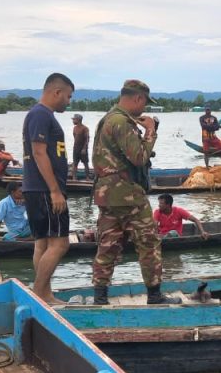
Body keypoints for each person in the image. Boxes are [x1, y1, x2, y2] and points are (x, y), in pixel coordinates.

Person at [91, 79, 181, 305]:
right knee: (149, 243)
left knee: (108, 246)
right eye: (144, 103)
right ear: (138, 98)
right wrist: (150, 131)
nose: (144, 109)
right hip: (128, 195)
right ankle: (154, 295)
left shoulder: (107, 119)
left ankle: (100, 297)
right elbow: (139, 157)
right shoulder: (122, 122)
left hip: (106, 194)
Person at [22, 72, 74, 303]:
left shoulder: (41, 115)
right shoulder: (40, 114)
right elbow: (39, 151)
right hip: (44, 190)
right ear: (57, 92)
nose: (68, 101)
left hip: (38, 189)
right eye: (68, 96)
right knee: (60, 243)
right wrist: (54, 190)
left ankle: (45, 294)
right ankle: (38, 294)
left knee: (42, 242)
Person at [70, 113, 91, 180]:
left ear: (78, 120)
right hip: (76, 148)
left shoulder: (85, 128)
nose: (73, 121)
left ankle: (87, 177)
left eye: (74, 119)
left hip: (83, 149)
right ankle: (74, 177)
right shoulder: (74, 128)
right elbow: (75, 137)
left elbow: (87, 139)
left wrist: (84, 148)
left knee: (85, 163)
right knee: (75, 163)